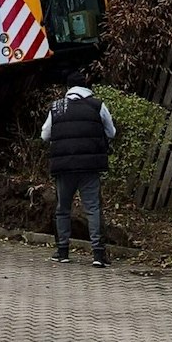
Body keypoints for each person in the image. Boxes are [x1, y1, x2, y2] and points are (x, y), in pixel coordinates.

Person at [40, 70, 117, 267]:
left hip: (64, 167)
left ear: (68, 88)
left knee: (63, 209)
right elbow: (111, 132)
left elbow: (45, 135)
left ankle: (62, 251)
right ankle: (98, 255)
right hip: (90, 167)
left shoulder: (56, 107)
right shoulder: (97, 105)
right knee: (92, 208)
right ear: (86, 86)